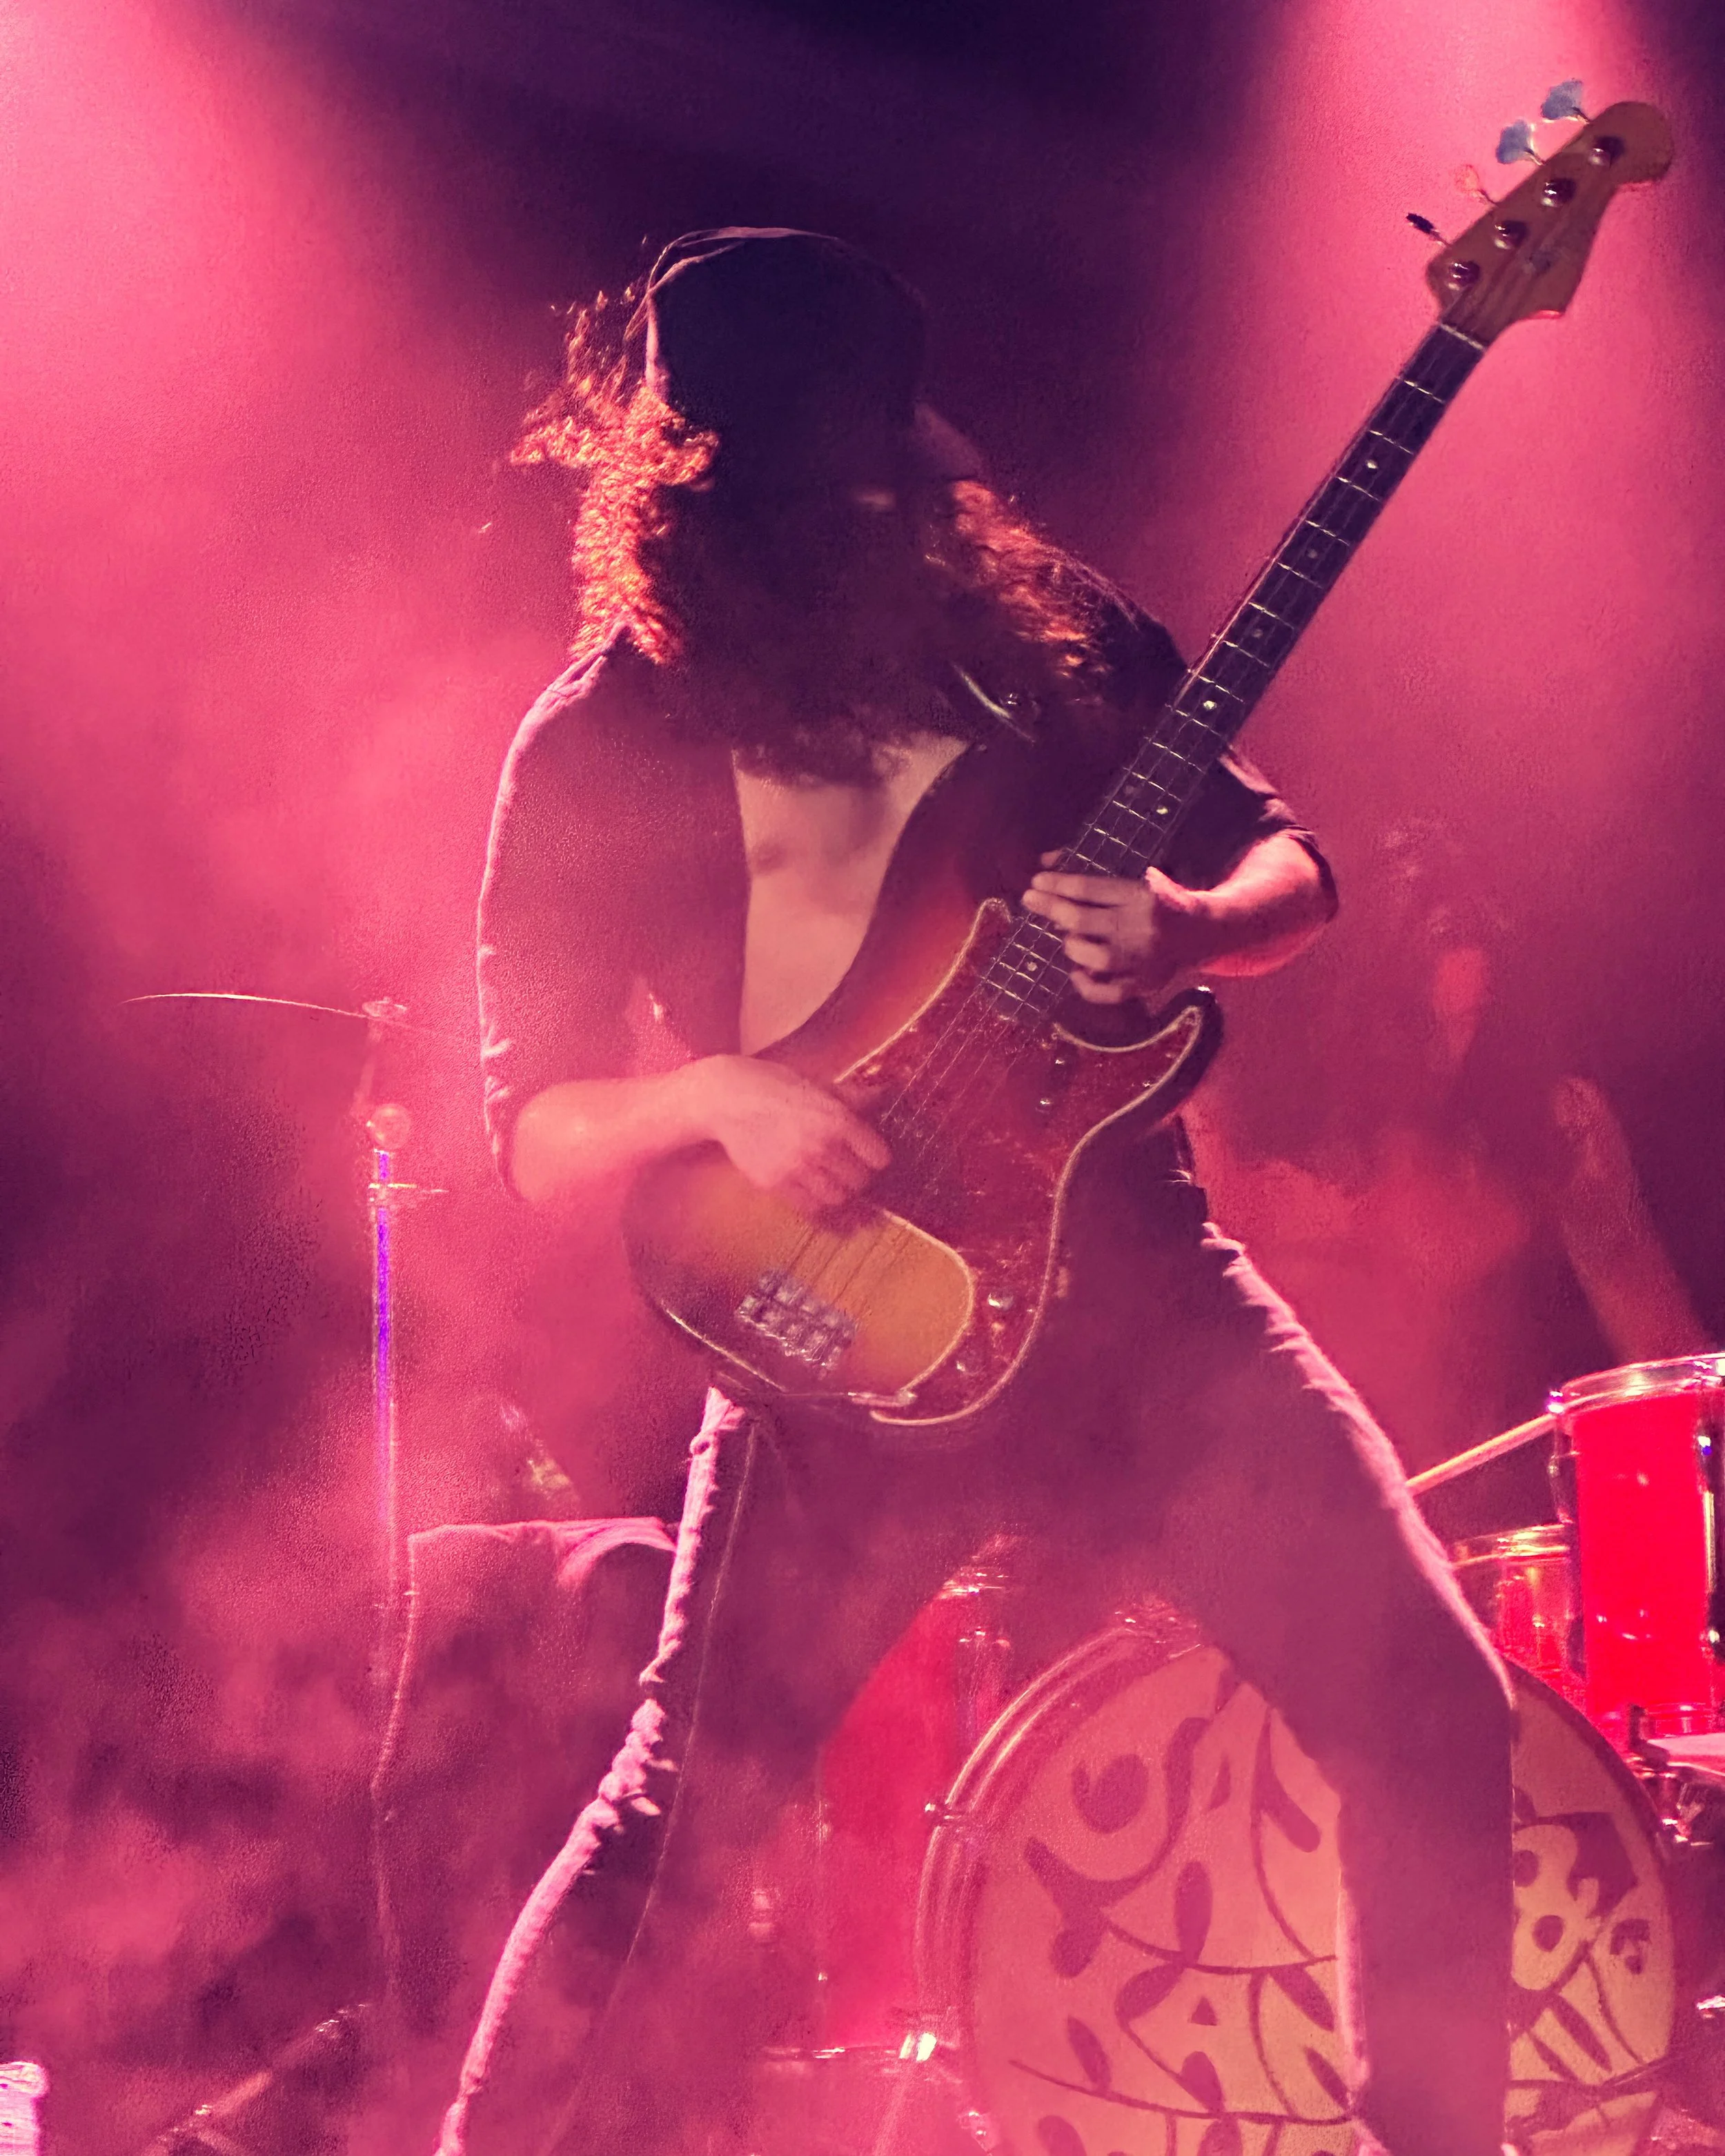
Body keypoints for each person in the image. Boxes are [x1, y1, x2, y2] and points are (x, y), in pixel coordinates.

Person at [446, 228, 1515, 2156]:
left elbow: (1290, 862)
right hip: (838, 1341)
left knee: (1435, 1712)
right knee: (662, 1835)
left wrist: (1191, 923)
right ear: (710, 502)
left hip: (1146, 1306)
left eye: (900, 473)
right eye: (847, 482)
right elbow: (526, 1125)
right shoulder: (605, 734)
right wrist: (715, 1095)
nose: (896, 508)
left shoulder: (1045, 639)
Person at [1182, 820, 1711, 1537]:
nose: (1447, 1057)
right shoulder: (1235, 1131)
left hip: (1491, 1546)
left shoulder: (1547, 1130)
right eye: (1420, 1027)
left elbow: (1669, 1368)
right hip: (1296, 1544)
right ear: (1348, 1002)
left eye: (1466, 1022)